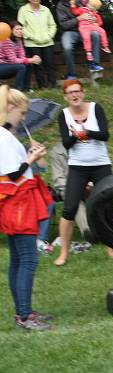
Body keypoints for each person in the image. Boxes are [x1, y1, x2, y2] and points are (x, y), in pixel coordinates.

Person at [0, 85, 54, 331]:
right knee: (29, 259)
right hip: (18, 205)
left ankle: (24, 312)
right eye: (21, 112)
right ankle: (24, 316)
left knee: (19, 260)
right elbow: (12, 174)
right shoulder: (2, 137)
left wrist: (30, 155)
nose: (23, 118)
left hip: (17, 204)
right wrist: (30, 159)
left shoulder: (7, 137)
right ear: (9, 108)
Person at [54, 79, 113, 265]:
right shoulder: (64, 115)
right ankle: (63, 253)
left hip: (100, 164)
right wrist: (75, 136)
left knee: (107, 206)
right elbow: (66, 143)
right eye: (70, 93)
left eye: (77, 91)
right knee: (69, 208)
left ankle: (111, 249)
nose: (74, 95)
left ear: (82, 93)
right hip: (77, 167)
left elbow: (105, 135)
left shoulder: (95, 108)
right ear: (65, 97)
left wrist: (86, 132)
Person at [56, 0, 102, 79]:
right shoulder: (61, 5)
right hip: (70, 32)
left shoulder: (81, 2)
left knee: (96, 34)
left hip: (86, 29)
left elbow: (93, 10)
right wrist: (78, 19)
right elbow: (63, 25)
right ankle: (71, 74)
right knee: (67, 47)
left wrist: (94, 19)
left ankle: (95, 65)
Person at [17, 0, 57, 89]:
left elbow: (52, 25)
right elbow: (21, 28)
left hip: (48, 42)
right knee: (38, 66)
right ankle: (42, 86)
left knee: (50, 64)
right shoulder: (23, 10)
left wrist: (49, 36)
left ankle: (53, 85)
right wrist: (33, 37)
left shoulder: (46, 9)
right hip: (32, 43)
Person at [68, 0, 110, 72]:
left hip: (91, 26)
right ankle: (88, 52)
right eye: (89, 4)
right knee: (86, 37)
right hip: (83, 27)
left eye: (91, 6)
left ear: (95, 9)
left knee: (102, 31)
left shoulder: (95, 13)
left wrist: (97, 23)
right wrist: (73, 6)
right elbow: (75, 11)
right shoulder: (83, 9)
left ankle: (105, 46)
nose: (88, 6)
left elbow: (100, 21)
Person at [0, 22, 40, 91]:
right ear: (11, 31)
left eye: (21, 29)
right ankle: (19, 90)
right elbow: (13, 60)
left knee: (28, 65)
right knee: (21, 67)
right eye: (17, 29)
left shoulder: (18, 40)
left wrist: (33, 59)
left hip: (8, 64)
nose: (20, 31)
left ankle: (26, 89)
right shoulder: (6, 40)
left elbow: (22, 56)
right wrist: (30, 60)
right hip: (1, 66)